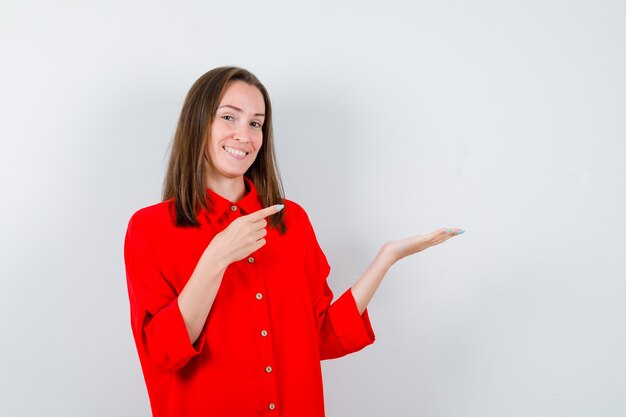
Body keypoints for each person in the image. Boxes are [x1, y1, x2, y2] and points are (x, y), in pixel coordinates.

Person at [123, 66, 464, 417]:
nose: (244, 135)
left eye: (256, 123)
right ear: (198, 124)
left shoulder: (292, 221)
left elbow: (320, 336)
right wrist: (216, 257)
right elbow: (163, 353)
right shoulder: (150, 228)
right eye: (229, 117)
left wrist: (386, 258)